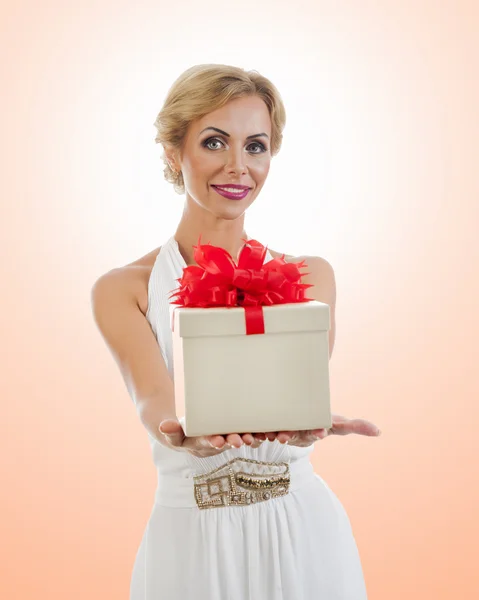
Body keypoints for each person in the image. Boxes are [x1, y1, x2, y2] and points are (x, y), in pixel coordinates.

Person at [91, 63, 381, 599]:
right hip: (191, 536)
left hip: (303, 530)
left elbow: (297, 399)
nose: (237, 165)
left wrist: (308, 424)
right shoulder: (123, 288)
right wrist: (180, 431)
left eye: (256, 146)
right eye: (214, 141)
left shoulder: (310, 276)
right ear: (173, 152)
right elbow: (151, 396)